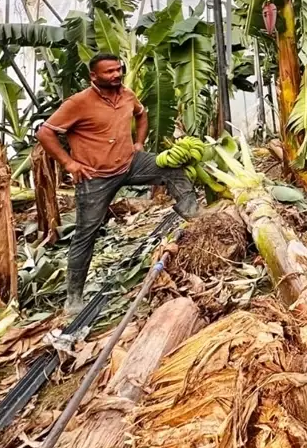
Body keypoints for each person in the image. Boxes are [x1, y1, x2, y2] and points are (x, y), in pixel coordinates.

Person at [37, 52, 199, 315]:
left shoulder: (126, 94)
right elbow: (45, 132)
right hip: (95, 177)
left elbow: (141, 115)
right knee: (85, 235)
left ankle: (192, 212)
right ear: (94, 76)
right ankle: (74, 298)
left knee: (172, 167)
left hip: (129, 163)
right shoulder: (79, 102)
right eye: (109, 72)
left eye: (118, 69)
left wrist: (139, 144)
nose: (116, 75)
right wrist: (69, 163)